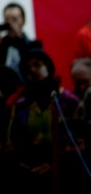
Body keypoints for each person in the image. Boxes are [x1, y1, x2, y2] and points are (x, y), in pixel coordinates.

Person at [6, 47, 81, 192]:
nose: (33, 70)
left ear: (48, 67)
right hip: (28, 172)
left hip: (65, 172)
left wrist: (55, 165)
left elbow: (79, 142)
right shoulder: (20, 106)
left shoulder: (68, 101)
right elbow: (13, 143)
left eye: (37, 64)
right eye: (28, 68)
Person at [0, 2, 39, 99]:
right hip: (3, 94)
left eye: (14, 20)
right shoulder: (0, 45)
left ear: (23, 21)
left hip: (28, 93)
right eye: (7, 20)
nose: (10, 24)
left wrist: (20, 39)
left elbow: (33, 65)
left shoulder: (33, 45)